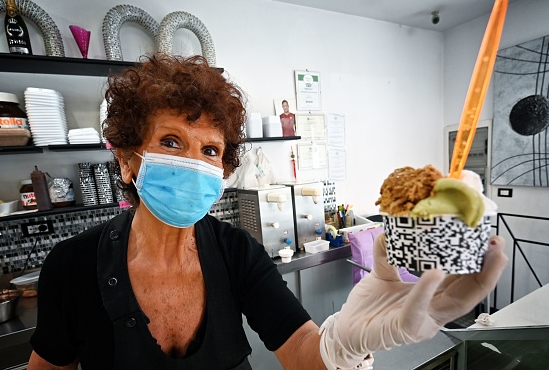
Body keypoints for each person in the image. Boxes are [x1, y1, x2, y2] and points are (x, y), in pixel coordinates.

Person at [27, 54, 507, 370]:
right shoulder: (72, 266)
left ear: (224, 168)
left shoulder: (237, 253)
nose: (195, 163)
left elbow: (300, 351)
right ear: (127, 161)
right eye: (171, 142)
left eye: (211, 150)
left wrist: (350, 341)